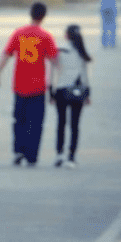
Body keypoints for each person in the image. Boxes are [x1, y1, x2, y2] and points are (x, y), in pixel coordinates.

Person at [0, 2, 59, 166]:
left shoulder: (19, 33)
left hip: (20, 85)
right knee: (35, 123)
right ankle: (31, 155)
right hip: (38, 87)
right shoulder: (46, 36)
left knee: (19, 120)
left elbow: (6, 54)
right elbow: (55, 61)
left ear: (31, 14)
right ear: (43, 17)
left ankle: (18, 150)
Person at [49, 25, 92, 168]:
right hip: (77, 91)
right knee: (75, 125)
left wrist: (51, 92)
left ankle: (59, 154)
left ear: (66, 35)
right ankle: (71, 157)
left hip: (61, 90)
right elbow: (85, 75)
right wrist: (87, 94)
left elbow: (53, 72)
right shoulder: (83, 52)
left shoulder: (59, 50)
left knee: (61, 123)